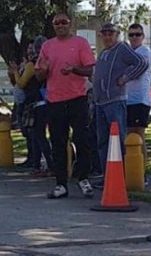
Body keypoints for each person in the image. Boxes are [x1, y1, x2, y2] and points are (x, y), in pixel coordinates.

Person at [35, 14, 96, 199]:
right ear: (53, 26)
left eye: (64, 22)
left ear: (70, 24)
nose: (61, 26)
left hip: (77, 98)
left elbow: (90, 69)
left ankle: (83, 178)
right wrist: (43, 70)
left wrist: (74, 70)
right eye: (57, 23)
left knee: (81, 139)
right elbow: (39, 76)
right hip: (55, 101)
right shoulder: (47, 46)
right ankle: (61, 184)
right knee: (58, 143)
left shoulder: (80, 43)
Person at [92, 22, 146, 184]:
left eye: (111, 33)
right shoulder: (103, 53)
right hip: (100, 102)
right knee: (102, 141)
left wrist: (125, 78)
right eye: (105, 33)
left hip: (115, 101)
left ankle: (122, 175)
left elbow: (141, 63)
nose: (108, 36)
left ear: (117, 35)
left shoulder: (122, 49)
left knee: (119, 139)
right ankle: (107, 175)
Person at [10, 39, 53, 175]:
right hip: (47, 101)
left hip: (34, 103)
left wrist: (16, 72)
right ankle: (40, 164)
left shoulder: (32, 65)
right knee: (39, 135)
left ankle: (45, 165)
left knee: (37, 135)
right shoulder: (49, 62)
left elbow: (21, 84)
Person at [124, 23, 151, 174]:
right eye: (131, 35)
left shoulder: (144, 51)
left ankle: (142, 172)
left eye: (137, 34)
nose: (134, 37)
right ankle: (131, 170)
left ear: (143, 37)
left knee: (138, 135)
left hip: (140, 100)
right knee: (128, 135)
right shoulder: (128, 51)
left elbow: (135, 69)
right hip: (127, 99)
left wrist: (123, 75)